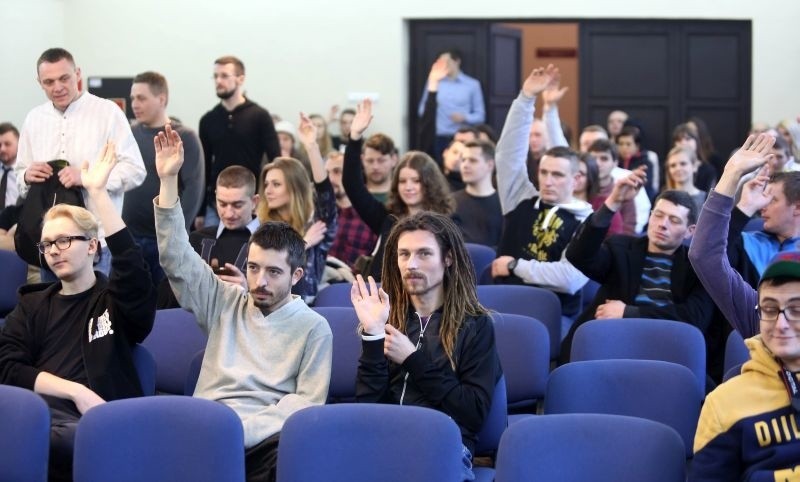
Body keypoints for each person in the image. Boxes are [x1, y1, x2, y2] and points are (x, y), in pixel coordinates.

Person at [154, 124, 332, 482]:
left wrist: (240, 431)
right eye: (253, 268)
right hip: (207, 429)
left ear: (296, 276)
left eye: (273, 272)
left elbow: (304, 404)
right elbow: (175, 257)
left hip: (268, 440)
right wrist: (169, 180)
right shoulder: (226, 301)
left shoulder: (314, 327)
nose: (259, 281)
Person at [0, 143, 156, 481]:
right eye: (47, 244)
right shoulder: (32, 303)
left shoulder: (114, 302)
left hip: (95, 424)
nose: (54, 251)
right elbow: (7, 366)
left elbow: (132, 270)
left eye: (64, 241)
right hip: (40, 415)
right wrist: (75, 391)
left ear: (92, 246)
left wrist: (98, 193)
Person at [352, 211, 502, 481]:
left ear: (448, 259)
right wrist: (373, 336)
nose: (411, 264)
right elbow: (369, 407)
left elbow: (473, 413)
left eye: (424, 254)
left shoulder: (476, 325)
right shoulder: (388, 318)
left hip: (444, 445)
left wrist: (412, 358)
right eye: (404, 254)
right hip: (387, 441)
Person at [687, 134, 800, 480]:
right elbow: (705, 257)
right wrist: (730, 179)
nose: (780, 322)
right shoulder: (730, 401)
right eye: (771, 308)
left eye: (796, 309)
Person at [15, 48, 146, 276]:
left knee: (99, 310)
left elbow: (135, 170)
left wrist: (87, 178)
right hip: (51, 243)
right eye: (49, 81)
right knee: (54, 311)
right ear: (40, 83)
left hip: (98, 240)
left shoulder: (107, 112)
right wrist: (27, 175)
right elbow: (19, 175)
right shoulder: (34, 119)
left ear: (77, 74)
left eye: (64, 78)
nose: (57, 87)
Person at [562, 170, 714, 361]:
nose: (662, 224)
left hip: (666, 349)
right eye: (658, 215)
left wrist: (630, 313)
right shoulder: (621, 248)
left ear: (689, 231)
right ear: (650, 217)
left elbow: (693, 318)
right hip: (611, 342)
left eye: (674, 220)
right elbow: (578, 255)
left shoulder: (696, 268)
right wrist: (612, 204)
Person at [490, 64, 592, 318]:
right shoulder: (521, 200)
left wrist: (515, 266)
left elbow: (570, 279)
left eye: (557, 175)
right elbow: (507, 157)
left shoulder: (587, 220)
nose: (548, 181)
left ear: (576, 180)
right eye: (544, 173)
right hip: (504, 306)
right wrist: (526, 98)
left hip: (552, 314)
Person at [344, 99, 455, 281]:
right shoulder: (388, 218)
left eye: (416, 180)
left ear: (430, 184)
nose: (408, 187)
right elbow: (352, 185)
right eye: (402, 181)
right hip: (382, 299)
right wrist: (355, 137)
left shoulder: (446, 223)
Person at [124, 71, 204, 285]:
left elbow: (193, 191)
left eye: (141, 98)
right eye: (133, 98)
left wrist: (174, 234)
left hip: (165, 241)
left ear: (161, 99)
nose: (134, 104)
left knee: (163, 306)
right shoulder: (129, 134)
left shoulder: (184, 137)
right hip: (130, 236)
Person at [257, 114, 337, 301]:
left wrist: (311, 146)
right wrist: (304, 244)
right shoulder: (262, 225)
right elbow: (268, 266)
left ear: (294, 188)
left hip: (307, 309)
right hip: (268, 307)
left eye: (276, 184)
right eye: (267, 184)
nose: (268, 190)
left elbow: (325, 194)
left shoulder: (316, 225)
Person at [197, 55, 280, 229]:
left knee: (253, 252)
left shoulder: (259, 116)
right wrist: (200, 211)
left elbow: (276, 161)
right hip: (217, 203)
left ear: (240, 79)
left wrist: (271, 201)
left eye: (224, 76)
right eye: (216, 76)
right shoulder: (208, 119)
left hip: (251, 202)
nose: (218, 81)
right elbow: (203, 168)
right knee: (212, 252)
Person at [417, 49, 486, 157]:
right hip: (437, 136)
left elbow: (480, 115)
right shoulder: (434, 82)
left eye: (446, 62)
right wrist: (433, 107)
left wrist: (465, 117)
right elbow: (422, 111)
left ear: (457, 61)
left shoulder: (472, 85)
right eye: (440, 63)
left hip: (461, 137)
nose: (443, 66)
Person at [325, 150, 377, 269]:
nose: (330, 179)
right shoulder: (322, 215)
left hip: (357, 285)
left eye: (337, 172)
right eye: (326, 173)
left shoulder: (373, 216)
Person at [453, 139, 503, 248]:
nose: (465, 165)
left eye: (473, 160)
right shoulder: (450, 203)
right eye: (463, 160)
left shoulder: (503, 204)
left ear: (490, 165)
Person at [587, 139, 636, 236]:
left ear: (615, 163)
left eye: (604, 158)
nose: (598, 163)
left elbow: (628, 228)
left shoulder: (623, 190)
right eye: (593, 159)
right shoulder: (580, 187)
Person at [0, 122, 19, 209]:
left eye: (7, 144)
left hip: (17, 220)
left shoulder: (26, 173)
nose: (2, 149)